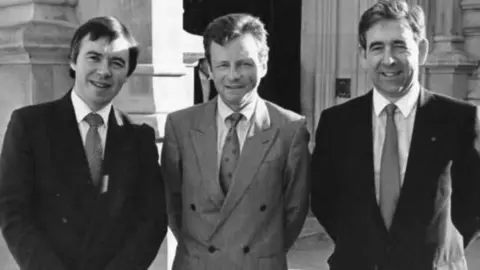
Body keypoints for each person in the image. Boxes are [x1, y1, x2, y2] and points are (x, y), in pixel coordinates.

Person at [310, 1, 480, 269]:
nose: (388, 59)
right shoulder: (336, 123)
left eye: (399, 45)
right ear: (363, 54)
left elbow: (473, 201)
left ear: (422, 50)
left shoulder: (459, 119)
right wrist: (359, 245)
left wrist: (442, 251)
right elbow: (323, 198)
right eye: (377, 47)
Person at [0, 16, 167, 270]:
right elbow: (13, 212)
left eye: (117, 62)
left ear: (127, 74)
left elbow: (152, 221)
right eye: (94, 57)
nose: (104, 71)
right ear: (73, 61)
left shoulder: (138, 138)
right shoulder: (30, 125)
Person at [162, 13, 310, 270]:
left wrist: (261, 255)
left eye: (244, 64)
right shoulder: (180, 126)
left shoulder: (290, 129)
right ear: (208, 68)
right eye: (222, 65)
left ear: (263, 63)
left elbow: (294, 211)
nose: (233, 76)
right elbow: (173, 206)